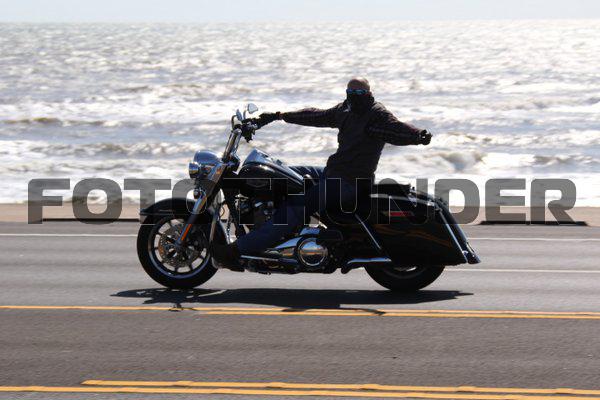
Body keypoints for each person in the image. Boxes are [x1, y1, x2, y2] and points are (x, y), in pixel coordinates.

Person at [211, 77, 431, 266]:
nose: (354, 96)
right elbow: (316, 116)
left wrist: (417, 135)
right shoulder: (346, 110)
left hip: (350, 182)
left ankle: (238, 250)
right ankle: (270, 228)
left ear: (368, 93)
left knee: (296, 206)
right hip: (333, 172)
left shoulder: (376, 115)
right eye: (350, 92)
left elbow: (396, 129)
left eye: (359, 93)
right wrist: (278, 116)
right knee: (282, 173)